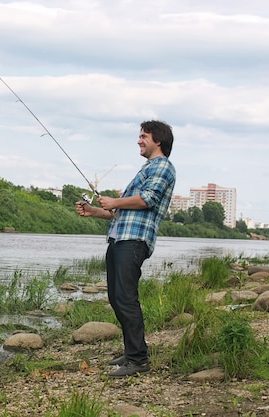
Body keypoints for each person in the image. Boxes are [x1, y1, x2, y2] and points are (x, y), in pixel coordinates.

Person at [75, 120, 176, 377]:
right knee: (116, 297)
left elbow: (148, 199)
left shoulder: (163, 167)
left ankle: (139, 360)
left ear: (158, 141)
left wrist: (115, 200)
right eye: (139, 136)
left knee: (126, 298)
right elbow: (120, 214)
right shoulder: (147, 168)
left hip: (134, 241)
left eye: (144, 136)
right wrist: (94, 211)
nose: (139, 140)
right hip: (120, 238)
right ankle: (133, 351)